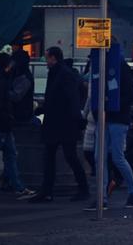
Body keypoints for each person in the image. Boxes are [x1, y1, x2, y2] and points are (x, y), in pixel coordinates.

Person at [29, 47, 89, 203]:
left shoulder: (62, 75)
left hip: (63, 123)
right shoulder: (61, 73)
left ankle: (79, 188)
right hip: (61, 122)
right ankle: (49, 190)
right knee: (60, 156)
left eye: (47, 58)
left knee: (66, 156)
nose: (46, 61)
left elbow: (70, 99)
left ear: (53, 58)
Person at [85, 55, 133, 210]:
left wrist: (102, 109)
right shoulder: (120, 67)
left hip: (111, 117)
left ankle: (105, 197)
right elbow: (130, 94)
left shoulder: (106, 68)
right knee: (112, 157)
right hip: (115, 117)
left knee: (106, 157)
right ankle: (126, 193)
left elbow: (129, 94)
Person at [0, 52, 34, 199]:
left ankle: (14, 185)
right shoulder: (5, 80)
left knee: (2, 156)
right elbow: (9, 99)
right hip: (4, 122)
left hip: (1, 122)